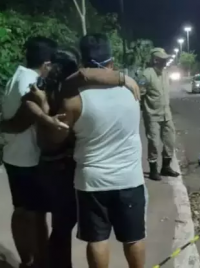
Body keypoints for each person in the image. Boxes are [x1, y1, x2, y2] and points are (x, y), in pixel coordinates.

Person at [1, 49, 141, 268]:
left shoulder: (47, 89)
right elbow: (55, 134)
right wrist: (47, 116)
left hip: (49, 166)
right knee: (64, 226)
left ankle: (42, 262)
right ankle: (45, 262)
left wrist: (42, 113)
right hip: (63, 166)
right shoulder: (70, 91)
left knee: (54, 223)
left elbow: (30, 108)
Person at [0, 36, 57, 268]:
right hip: (29, 160)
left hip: (14, 157)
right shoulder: (32, 81)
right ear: (46, 64)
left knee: (22, 211)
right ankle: (38, 261)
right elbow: (23, 120)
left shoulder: (17, 76)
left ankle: (27, 261)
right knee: (36, 215)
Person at [139, 48, 180, 181]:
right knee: (154, 143)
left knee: (170, 141)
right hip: (152, 115)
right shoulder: (146, 75)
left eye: (165, 59)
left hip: (166, 115)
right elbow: (139, 94)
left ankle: (166, 167)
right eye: (162, 59)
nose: (165, 62)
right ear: (155, 60)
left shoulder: (165, 73)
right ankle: (153, 170)